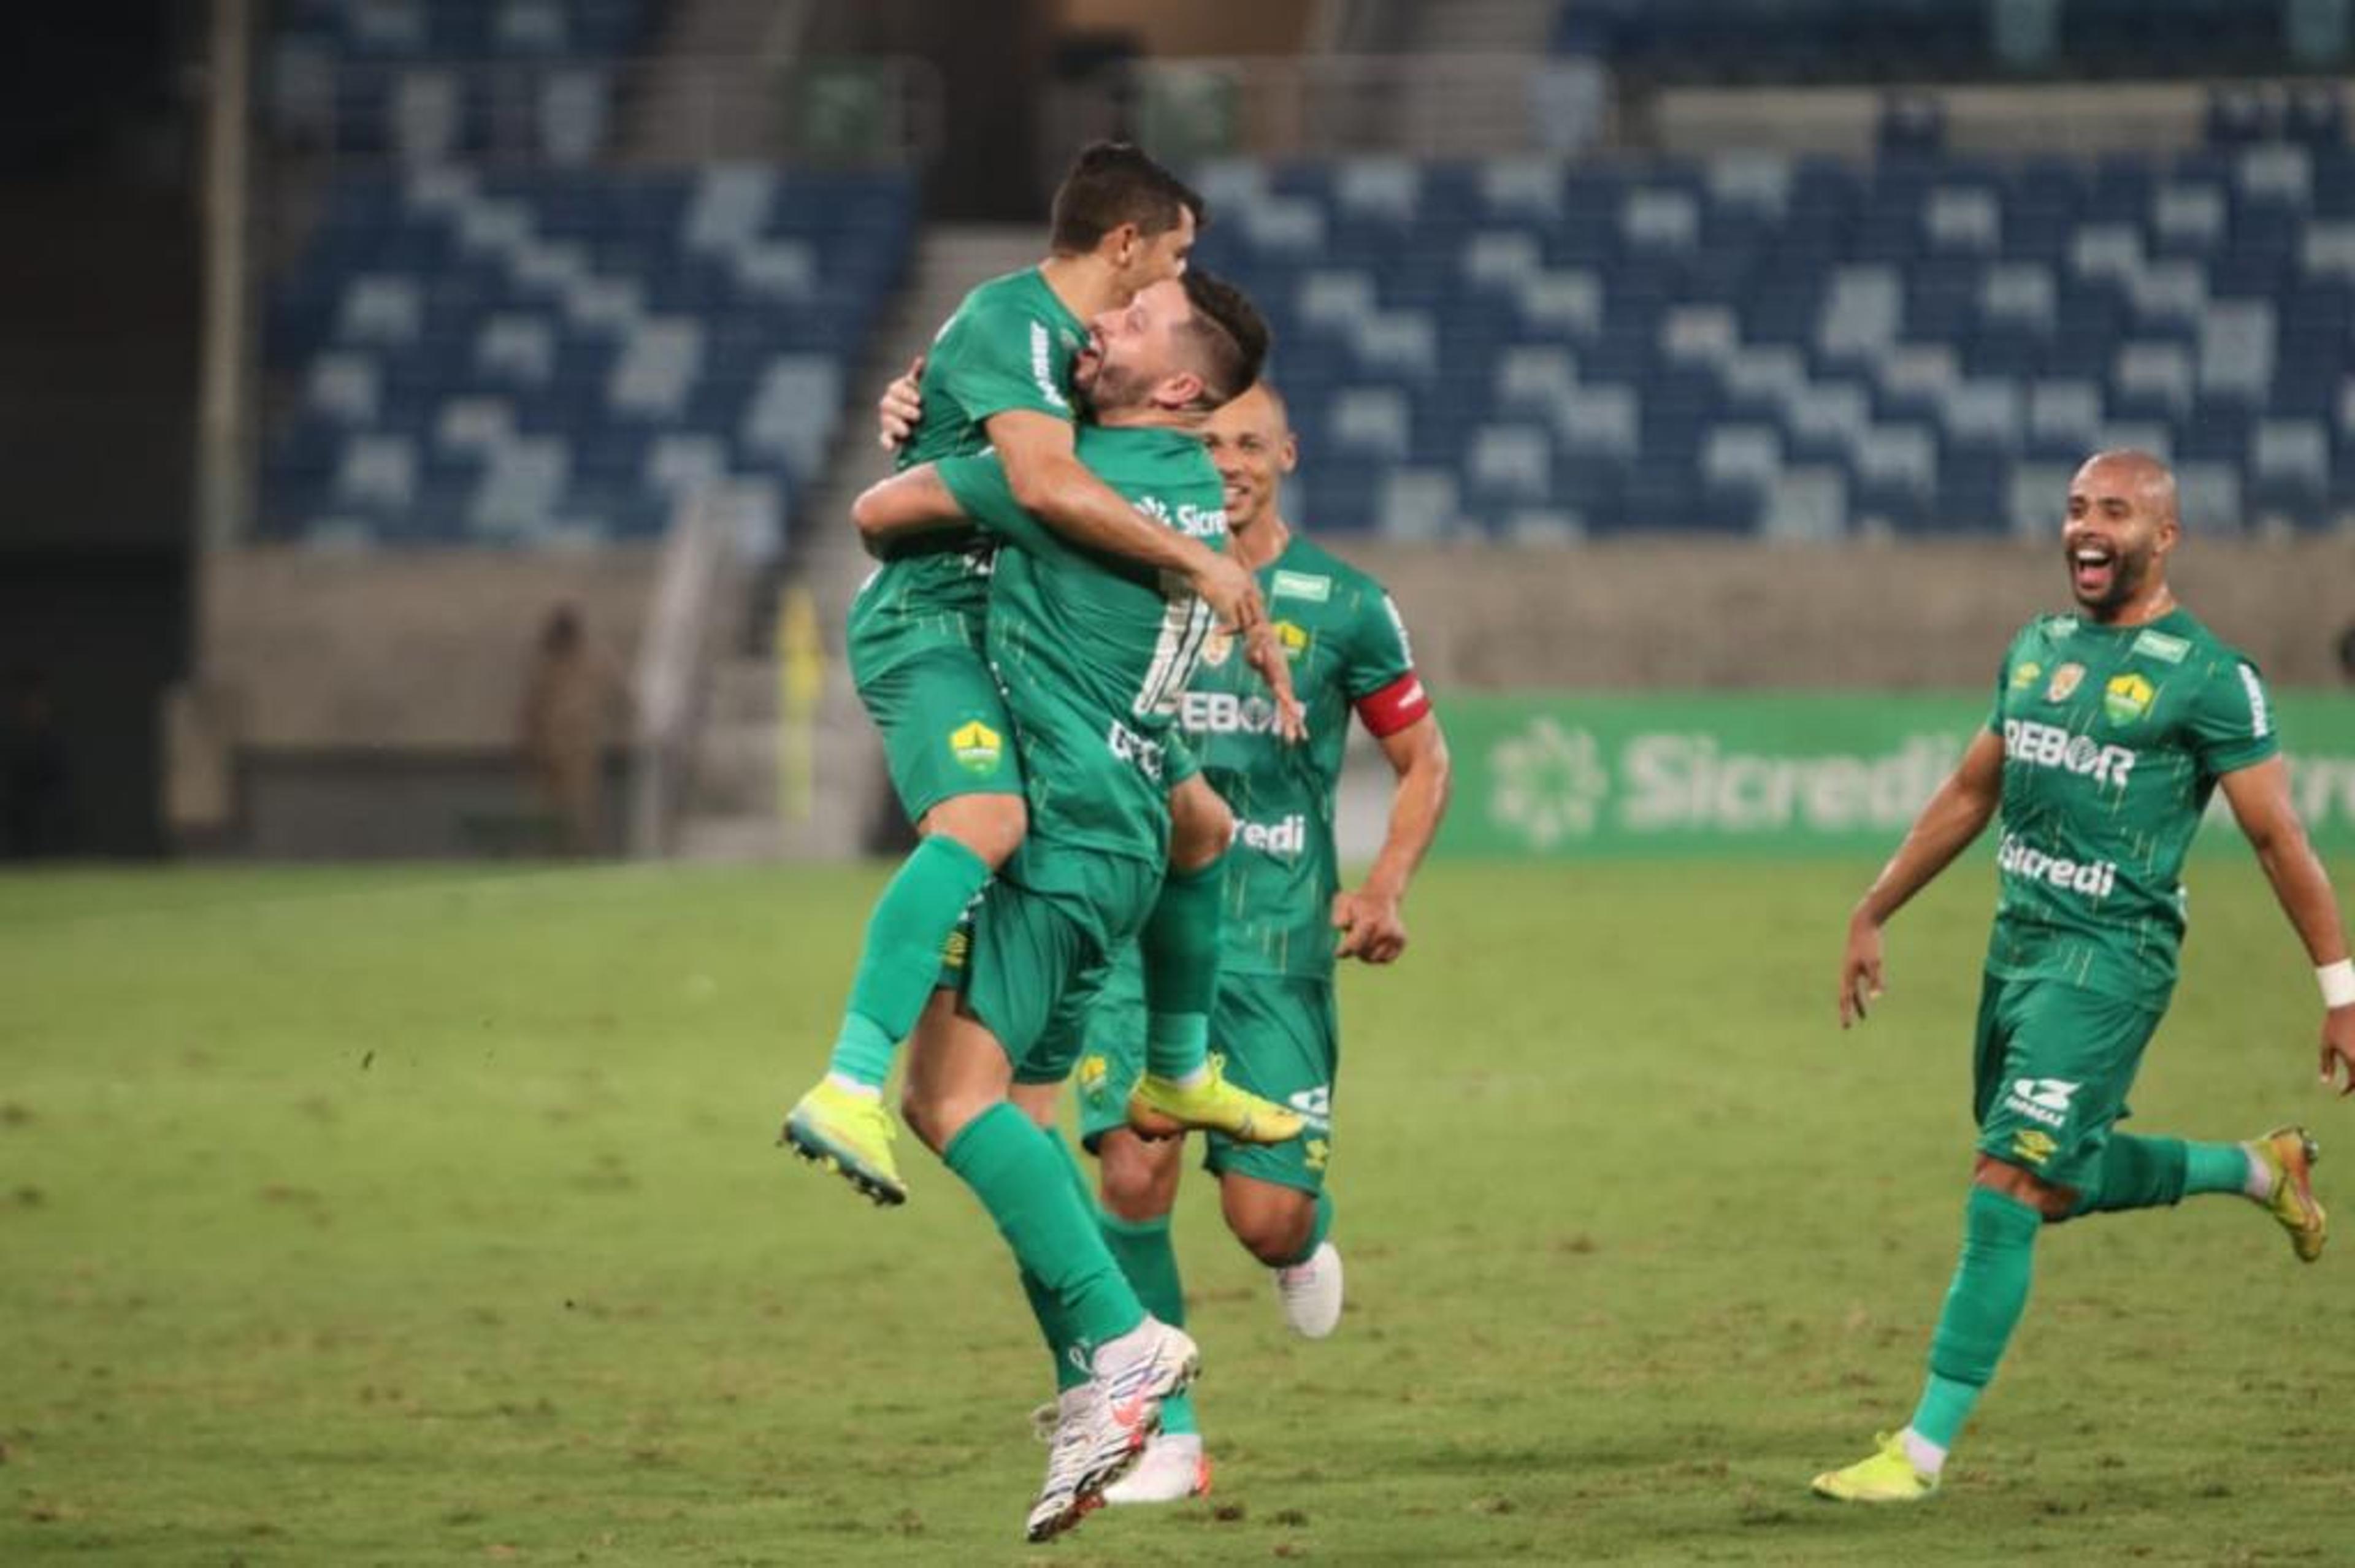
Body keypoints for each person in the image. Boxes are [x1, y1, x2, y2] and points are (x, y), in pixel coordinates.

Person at [1813, 449, 2355, 1504]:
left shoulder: (2210, 676)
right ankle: (2261, 1167)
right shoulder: (2039, 647)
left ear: (2166, 535)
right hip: (2017, 952)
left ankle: (1918, 1451)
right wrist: (1873, 905)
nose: (2086, 527)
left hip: (2111, 966)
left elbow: (2278, 838)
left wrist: (2342, 989)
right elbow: (1974, 792)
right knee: (2052, 1181)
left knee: (2004, 1186)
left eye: (2115, 509)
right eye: (2074, 509)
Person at [784, 143, 1301, 1205]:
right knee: (986, 822)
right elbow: (1027, 481)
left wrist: (912, 407)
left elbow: (1016, 432)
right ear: (1127, 244)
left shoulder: (1073, 349)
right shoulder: (1017, 324)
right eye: (1176, 253)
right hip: (942, 617)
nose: (1178, 278)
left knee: (1200, 823)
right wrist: (1199, 563)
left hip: (1022, 624)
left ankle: (1179, 1068)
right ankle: (849, 1078)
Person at [852, 270, 1271, 1540]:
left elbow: (886, 515)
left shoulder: (1074, 485)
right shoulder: (1170, 491)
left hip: (1066, 847)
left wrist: (936, 424)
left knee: (943, 1100)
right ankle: (1106, 1395)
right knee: (1023, 1121)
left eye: (1137, 321)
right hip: (1122, 842)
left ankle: (1127, 1349)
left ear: (1182, 386)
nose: (1102, 323)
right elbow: (1207, 823)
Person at [1046, 382, 1450, 1504]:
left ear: (1288, 449)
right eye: (1204, 440)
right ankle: (1165, 1432)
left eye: (1246, 441)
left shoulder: (1346, 601)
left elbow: (1426, 761)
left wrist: (1386, 885)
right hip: (1132, 928)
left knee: (1264, 1219)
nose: (1225, 460)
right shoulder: (1125, 579)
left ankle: (1300, 1237)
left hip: (1275, 946)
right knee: (1133, 1164)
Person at [517, 605, 623, 856]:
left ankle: (580, 855)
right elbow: (531, 709)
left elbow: (618, 693)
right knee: (548, 810)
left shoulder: (595, 660)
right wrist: (529, 745)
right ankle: (549, 855)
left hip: (579, 748)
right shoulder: (545, 664)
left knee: (579, 809)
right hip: (547, 749)